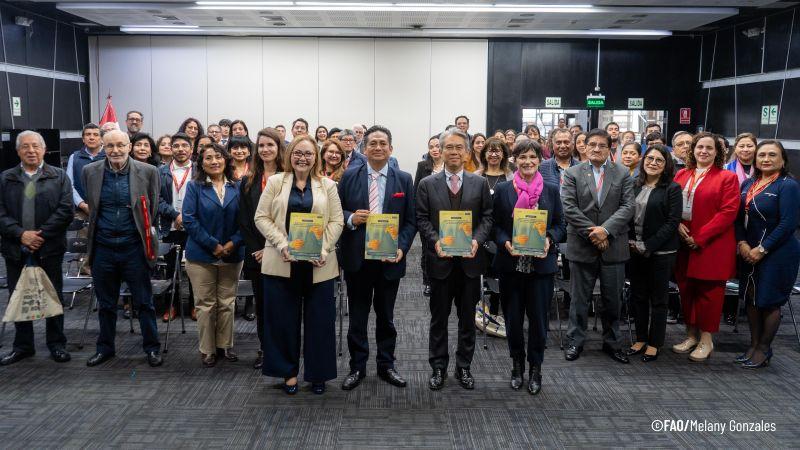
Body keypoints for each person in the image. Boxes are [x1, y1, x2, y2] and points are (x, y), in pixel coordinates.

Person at [255, 135, 344, 395]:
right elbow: (261, 217)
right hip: (282, 261)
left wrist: (322, 248)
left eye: (308, 153)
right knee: (282, 321)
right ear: (289, 155)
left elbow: (337, 221)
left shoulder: (328, 185)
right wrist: (282, 244)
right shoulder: (275, 182)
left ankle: (318, 374)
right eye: (297, 153)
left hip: (319, 264)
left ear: (316, 157)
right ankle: (288, 373)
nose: (302, 158)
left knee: (320, 322)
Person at [338, 125, 416, 391]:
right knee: (357, 318)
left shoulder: (404, 179)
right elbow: (337, 212)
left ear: (391, 148)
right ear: (364, 148)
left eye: (383, 143)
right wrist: (351, 218)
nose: (378, 147)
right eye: (373, 143)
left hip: (389, 260)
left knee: (387, 318)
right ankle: (357, 367)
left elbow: (410, 221)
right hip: (357, 259)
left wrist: (401, 248)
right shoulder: (349, 176)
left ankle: (386, 365)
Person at [416, 127, 493, 391]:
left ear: (468, 152)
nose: (454, 152)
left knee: (467, 320)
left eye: (459, 147)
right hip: (440, 262)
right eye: (448, 147)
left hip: (470, 263)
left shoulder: (479, 183)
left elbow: (488, 218)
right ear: (439, 151)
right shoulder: (427, 184)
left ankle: (464, 367)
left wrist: (477, 240)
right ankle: (438, 367)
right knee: (438, 319)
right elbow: (421, 219)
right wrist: (435, 241)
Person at [82, 130, 162, 368]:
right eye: (110, 146)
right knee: (106, 304)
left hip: (134, 248)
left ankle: (152, 348)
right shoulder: (90, 171)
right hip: (103, 248)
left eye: (120, 145)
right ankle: (105, 348)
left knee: (144, 302)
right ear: (103, 147)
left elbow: (152, 209)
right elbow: (93, 209)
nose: (115, 150)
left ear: (129, 146)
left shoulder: (148, 171)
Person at [492, 139, 565, 394]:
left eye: (533, 157)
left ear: (540, 160)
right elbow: (495, 226)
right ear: (514, 160)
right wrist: (505, 242)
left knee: (538, 322)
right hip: (511, 265)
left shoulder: (551, 190)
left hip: (540, 267)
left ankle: (536, 368)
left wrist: (549, 239)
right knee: (513, 321)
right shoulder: (503, 189)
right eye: (522, 157)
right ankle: (517, 365)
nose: (528, 162)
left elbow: (560, 225)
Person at [561, 128, 635, 364]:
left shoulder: (622, 173)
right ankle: (575, 341)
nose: (596, 149)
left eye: (602, 145)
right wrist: (594, 232)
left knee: (613, 300)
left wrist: (606, 230)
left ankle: (612, 343)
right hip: (582, 245)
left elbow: (628, 206)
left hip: (613, 245)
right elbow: (569, 207)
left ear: (610, 147)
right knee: (579, 300)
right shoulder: (572, 173)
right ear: (584, 146)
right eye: (592, 144)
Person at [0, 131, 74, 366]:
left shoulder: (59, 176)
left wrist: (40, 235)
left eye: (35, 146)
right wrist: (21, 234)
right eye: (25, 146)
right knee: (19, 295)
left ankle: (57, 344)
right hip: (15, 248)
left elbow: (66, 210)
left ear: (44, 150)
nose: (31, 150)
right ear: (18, 151)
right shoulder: (5, 178)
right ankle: (23, 346)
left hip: (49, 248)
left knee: (53, 295)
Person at [672, 132, 739, 362]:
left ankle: (706, 340)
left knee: (709, 295)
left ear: (717, 152)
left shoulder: (727, 178)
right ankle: (691, 336)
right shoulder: (682, 174)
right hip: (683, 243)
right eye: (699, 147)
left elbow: (728, 212)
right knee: (687, 290)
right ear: (692, 149)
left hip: (711, 245)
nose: (703, 151)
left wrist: (700, 237)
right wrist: (677, 224)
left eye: (709, 148)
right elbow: (672, 205)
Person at [734, 140, 800, 369]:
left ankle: (764, 348)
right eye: (762, 155)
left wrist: (762, 249)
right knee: (751, 299)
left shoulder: (788, 185)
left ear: (783, 160)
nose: (766, 159)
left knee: (769, 301)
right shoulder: (749, 184)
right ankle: (753, 345)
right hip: (749, 250)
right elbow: (738, 218)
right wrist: (742, 242)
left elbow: (788, 223)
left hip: (778, 252)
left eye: (772, 155)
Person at [182, 143, 244, 367]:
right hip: (201, 255)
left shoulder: (238, 186)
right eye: (208, 158)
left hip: (232, 253)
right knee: (205, 304)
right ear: (201, 163)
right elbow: (189, 219)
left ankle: (224, 345)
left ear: (226, 159)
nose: (214, 161)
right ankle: (207, 349)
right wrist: (213, 245)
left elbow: (246, 219)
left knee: (227, 303)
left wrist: (233, 242)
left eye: (218, 157)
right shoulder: (194, 187)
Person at [626, 144, 682, 362]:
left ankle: (655, 343)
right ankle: (640, 338)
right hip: (634, 249)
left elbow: (672, 223)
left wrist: (647, 245)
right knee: (638, 296)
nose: (653, 163)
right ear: (643, 161)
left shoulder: (672, 188)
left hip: (661, 252)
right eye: (650, 158)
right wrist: (632, 242)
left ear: (666, 165)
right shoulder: (634, 184)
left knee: (659, 299)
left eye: (659, 160)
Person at [239, 128, 285, 369]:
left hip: (284, 252)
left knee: (284, 305)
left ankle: (285, 349)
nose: (266, 149)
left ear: (279, 148)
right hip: (257, 255)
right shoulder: (248, 181)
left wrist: (273, 248)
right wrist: (259, 249)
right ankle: (265, 349)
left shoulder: (290, 177)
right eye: (262, 145)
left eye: (271, 145)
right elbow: (245, 221)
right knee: (263, 306)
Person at [157, 132, 196, 322]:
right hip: (170, 228)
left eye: (184, 145)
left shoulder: (199, 170)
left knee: (195, 269)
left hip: (194, 228)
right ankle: (172, 305)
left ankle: (195, 305)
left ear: (191, 149)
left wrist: (186, 216)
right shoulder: (160, 171)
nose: (180, 149)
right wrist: (175, 214)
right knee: (172, 269)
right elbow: (156, 199)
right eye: (176, 146)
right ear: (171, 149)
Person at [415, 135, 443, 296]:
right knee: (427, 251)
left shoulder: (450, 165)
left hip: (446, 216)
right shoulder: (423, 166)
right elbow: (416, 192)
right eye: (431, 147)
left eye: (437, 146)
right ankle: (428, 282)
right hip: (427, 216)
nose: (434, 149)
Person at [66, 123, 105, 218]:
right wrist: (82, 204)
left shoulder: (109, 157)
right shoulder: (74, 157)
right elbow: (69, 185)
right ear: (83, 139)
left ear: (102, 139)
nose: (91, 138)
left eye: (96, 135)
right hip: (80, 211)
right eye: (88, 134)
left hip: (105, 210)